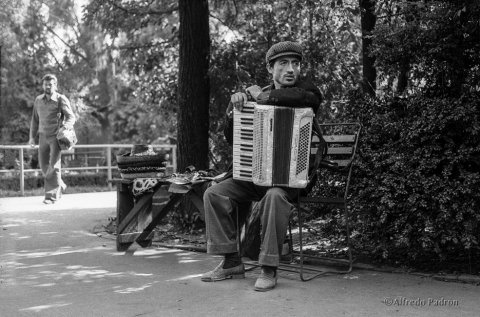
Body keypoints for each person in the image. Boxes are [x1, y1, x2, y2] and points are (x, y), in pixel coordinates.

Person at [201, 41, 322, 291]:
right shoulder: (253, 97)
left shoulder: (307, 91)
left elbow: (301, 99)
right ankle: (231, 261)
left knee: (275, 196)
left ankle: (269, 267)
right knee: (214, 194)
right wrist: (234, 112)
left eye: (296, 64)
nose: (291, 69)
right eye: (283, 63)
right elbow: (232, 136)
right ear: (270, 68)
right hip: (254, 177)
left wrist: (262, 97)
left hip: (290, 181)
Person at [28, 74, 76, 204]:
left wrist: (65, 127)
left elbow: (71, 117)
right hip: (42, 137)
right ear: (43, 85)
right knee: (43, 165)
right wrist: (32, 138)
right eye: (45, 84)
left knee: (54, 166)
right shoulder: (38, 100)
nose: (47, 86)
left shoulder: (61, 99)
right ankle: (60, 184)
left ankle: (51, 196)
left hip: (56, 137)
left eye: (50, 84)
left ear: (55, 85)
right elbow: (34, 120)